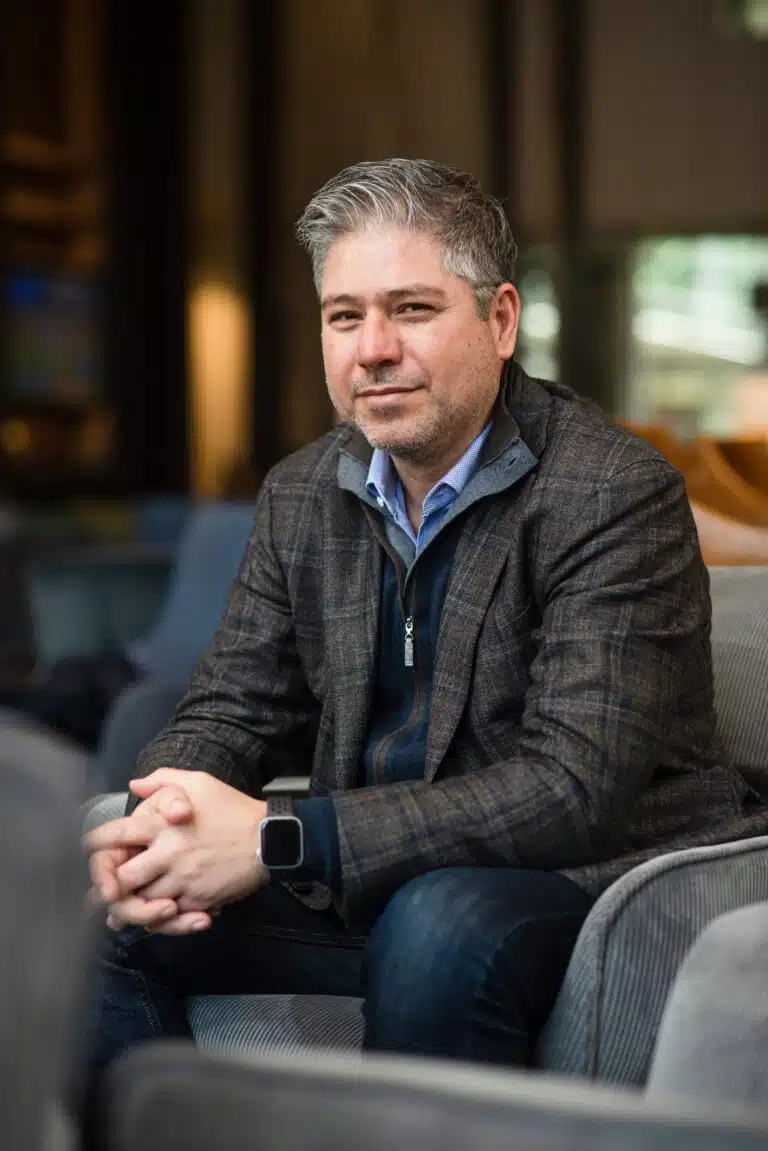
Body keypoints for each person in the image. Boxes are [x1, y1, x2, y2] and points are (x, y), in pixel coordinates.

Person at [83, 158, 768, 1104]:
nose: (372, 349)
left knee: (436, 918)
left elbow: (573, 788)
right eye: (344, 316)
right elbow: (233, 705)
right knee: (90, 915)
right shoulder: (301, 494)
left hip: (580, 878)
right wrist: (160, 819)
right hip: (372, 868)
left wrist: (282, 838)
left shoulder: (610, 493)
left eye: (411, 309)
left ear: (500, 321)